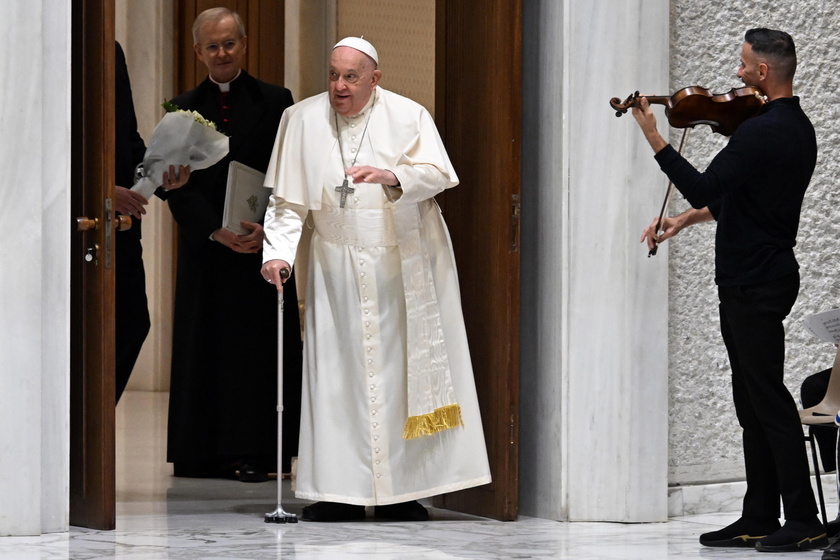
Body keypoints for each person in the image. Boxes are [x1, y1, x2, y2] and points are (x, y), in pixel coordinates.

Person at [261, 37, 492, 521]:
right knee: (336, 377)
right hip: (334, 265)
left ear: (375, 79)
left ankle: (402, 493)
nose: (339, 87)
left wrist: (390, 176)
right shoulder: (300, 119)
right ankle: (338, 492)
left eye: (350, 77)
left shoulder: (410, 115)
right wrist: (277, 254)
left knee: (399, 376)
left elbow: (439, 174)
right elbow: (286, 203)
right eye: (332, 75)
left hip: (401, 261)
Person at [630, 28, 824, 552]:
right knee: (750, 401)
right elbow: (742, 201)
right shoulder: (795, 127)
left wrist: (652, 133)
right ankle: (759, 514)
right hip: (760, 274)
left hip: (755, 281)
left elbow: (703, 184)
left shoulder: (762, 132)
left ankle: (803, 519)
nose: (734, 76)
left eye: (742, 66)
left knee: (768, 399)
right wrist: (685, 220)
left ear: (763, 72)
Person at [165, 7, 299, 483]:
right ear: (198, 51)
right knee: (206, 347)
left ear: (243, 45)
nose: (221, 53)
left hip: (260, 245)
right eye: (212, 46)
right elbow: (171, 186)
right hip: (207, 250)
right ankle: (199, 453)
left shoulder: (277, 100)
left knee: (256, 351)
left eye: (230, 44)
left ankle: (257, 452)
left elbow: (289, 172)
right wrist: (213, 229)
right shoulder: (181, 108)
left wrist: (269, 229)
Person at [114, 41, 189, 404]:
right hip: (78, 222)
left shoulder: (110, 51)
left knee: (133, 325)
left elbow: (127, 137)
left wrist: (160, 178)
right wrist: (99, 190)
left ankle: (88, 425)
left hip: (123, 225)